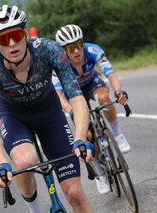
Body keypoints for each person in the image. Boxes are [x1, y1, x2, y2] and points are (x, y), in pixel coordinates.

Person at [0, 5, 95, 213]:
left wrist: (80, 137)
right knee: (24, 161)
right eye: (4, 39)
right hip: (13, 116)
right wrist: (2, 162)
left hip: (49, 112)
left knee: (74, 193)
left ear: (25, 33)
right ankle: (35, 209)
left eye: (16, 35)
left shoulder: (48, 50)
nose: (12, 43)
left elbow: (76, 97)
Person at [54, 24, 130, 194]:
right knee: (87, 134)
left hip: (92, 84)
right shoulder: (59, 64)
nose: (76, 51)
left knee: (104, 98)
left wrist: (118, 91)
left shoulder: (93, 50)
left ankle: (117, 133)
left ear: (83, 43)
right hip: (73, 94)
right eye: (71, 48)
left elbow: (110, 74)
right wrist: (72, 111)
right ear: (64, 50)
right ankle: (99, 173)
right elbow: (58, 95)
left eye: (78, 45)